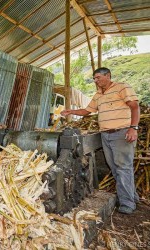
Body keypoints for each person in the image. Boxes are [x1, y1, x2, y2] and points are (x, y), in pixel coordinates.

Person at [60, 67, 140, 215]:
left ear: (108, 76)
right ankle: (132, 197)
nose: (96, 81)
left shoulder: (122, 87)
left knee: (123, 168)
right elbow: (86, 111)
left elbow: (135, 107)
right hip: (106, 135)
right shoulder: (98, 94)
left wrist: (133, 128)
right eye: (94, 78)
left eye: (98, 78)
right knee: (115, 168)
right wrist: (70, 111)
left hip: (121, 133)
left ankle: (127, 203)